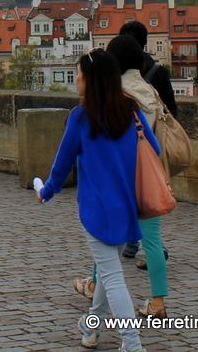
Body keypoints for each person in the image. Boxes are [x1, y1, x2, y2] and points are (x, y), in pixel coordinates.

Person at [37, 48, 157, 352]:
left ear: (91, 80)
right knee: (108, 269)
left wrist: (46, 191)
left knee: (114, 278)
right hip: (127, 206)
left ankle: (132, 343)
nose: (75, 79)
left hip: (98, 209)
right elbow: (153, 148)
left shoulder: (81, 116)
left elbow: (62, 165)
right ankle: (91, 328)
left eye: (78, 74)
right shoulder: (130, 110)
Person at [117, 19, 177, 261]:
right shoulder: (157, 72)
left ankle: (146, 246)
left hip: (126, 148)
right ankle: (136, 244)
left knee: (129, 195)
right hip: (152, 146)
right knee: (147, 194)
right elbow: (171, 110)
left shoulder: (116, 79)